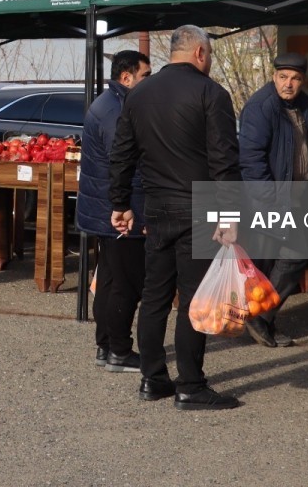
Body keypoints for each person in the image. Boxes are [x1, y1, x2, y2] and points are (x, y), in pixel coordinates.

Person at [109, 24, 241, 411]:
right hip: (199, 208)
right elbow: (224, 162)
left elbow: (122, 153)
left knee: (155, 294)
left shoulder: (138, 93)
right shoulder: (211, 94)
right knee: (193, 299)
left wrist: (119, 203)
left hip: (157, 206)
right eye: (211, 55)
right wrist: (229, 214)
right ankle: (191, 386)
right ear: (200, 53)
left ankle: (152, 379)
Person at [238, 51, 308, 348]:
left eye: (296, 78)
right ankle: (259, 317)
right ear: (274, 77)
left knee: (283, 258)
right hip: (271, 201)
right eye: (283, 77)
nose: (289, 84)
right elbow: (251, 158)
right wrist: (267, 200)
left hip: (297, 199)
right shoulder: (261, 107)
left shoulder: (303, 105)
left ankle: (262, 319)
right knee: (289, 255)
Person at [76, 50, 152, 372]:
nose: (150, 82)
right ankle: (119, 350)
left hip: (107, 209)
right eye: (145, 76)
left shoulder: (111, 103)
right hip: (119, 212)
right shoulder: (116, 110)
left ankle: (106, 346)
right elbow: (124, 163)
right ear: (127, 77)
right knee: (126, 282)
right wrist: (138, 211)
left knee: (108, 278)